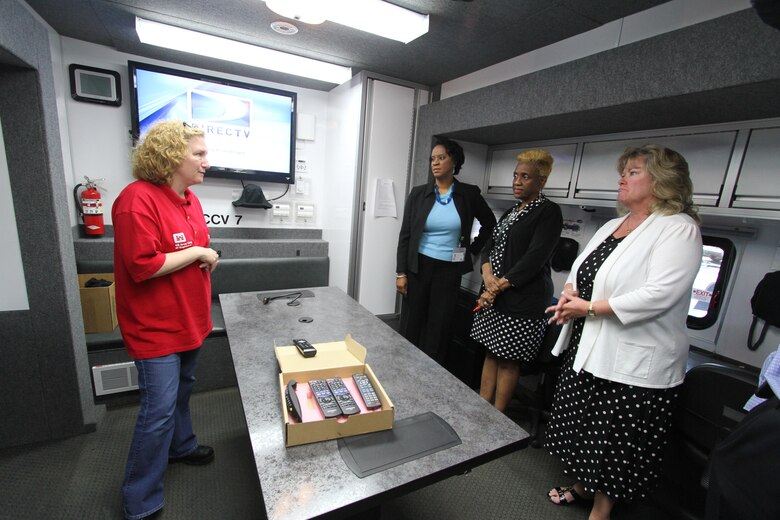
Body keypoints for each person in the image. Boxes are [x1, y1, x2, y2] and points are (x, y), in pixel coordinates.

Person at [543, 144, 702, 520]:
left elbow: (660, 294)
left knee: (613, 442)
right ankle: (583, 486)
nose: (622, 178)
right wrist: (571, 296)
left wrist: (590, 308)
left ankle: (601, 510)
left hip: (635, 361)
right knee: (584, 429)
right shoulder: (613, 225)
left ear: (661, 181)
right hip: (590, 346)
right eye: (624, 171)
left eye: (632, 172)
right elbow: (586, 273)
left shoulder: (678, 228)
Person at [113, 121, 220, 520]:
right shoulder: (136, 200)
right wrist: (196, 253)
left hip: (189, 321)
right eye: (199, 154)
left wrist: (201, 254)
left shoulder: (190, 200)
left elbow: (199, 250)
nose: (206, 161)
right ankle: (140, 501)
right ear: (172, 156)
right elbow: (142, 266)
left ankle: (183, 446)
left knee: (181, 394)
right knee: (156, 412)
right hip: (154, 328)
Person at [470, 149, 562, 412]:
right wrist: (487, 277)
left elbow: (534, 259)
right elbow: (489, 245)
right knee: (490, 351)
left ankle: (497, 418)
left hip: (522, 299)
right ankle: (482, 407)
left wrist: (497, 287)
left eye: (525, 177)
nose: (517, 182)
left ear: (541, 182)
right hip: (493, 295)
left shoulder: (548, 212)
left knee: (508, 359)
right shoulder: (511, 211)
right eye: (515, 175)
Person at [395, 138, 496, 363]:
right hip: (418, 267)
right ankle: (404, 365)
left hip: (449, 270)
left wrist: (472, 251)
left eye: (442, 158)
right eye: (433, 159)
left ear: (455, 161)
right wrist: (401, 273)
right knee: (413, 321)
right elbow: (406, 235)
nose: (435, 163)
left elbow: (490, 224)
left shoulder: (468, 194)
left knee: (439, 326)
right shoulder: (419, 194)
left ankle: (432, 373)